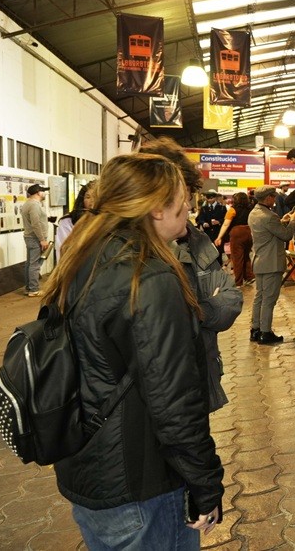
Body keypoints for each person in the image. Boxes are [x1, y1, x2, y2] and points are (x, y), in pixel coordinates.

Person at [42, 153, 223, 548]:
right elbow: (173, 399)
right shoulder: (149, 277)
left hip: (91, 468)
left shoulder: (84, 255)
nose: (190, 206)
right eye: (182, 197)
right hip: (141, 485)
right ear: (157, 208)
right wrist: (205, 483)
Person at [140, 137, 242, 413]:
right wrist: (199, 310)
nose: (188, 206)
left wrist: (198, 311)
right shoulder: (129, 257)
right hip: (159, 402)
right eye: (182, 198)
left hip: (197, 377)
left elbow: (231, 297)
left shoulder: (195, 239)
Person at [248, 185, 295, 344]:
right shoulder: (269, 216)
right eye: (273, 196)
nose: (275, 199)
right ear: (268, 198)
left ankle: (255, 330)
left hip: (259, 261)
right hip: (271, 263)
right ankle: (266, 333)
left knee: (259, 297)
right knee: (269, 299)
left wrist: (282, 220)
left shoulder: (254, 213)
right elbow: (286, 235)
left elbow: (269, 228)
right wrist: (294, 222)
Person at [214, 192, 254, 287]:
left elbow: (226, 224)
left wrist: (219, 237)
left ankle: (238, 282)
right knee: (246, 256)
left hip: (237, 233)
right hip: (249, 232)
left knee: (237, 258)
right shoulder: (251, 209)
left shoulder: (232, 210)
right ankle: (249, 277)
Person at [55, 182, 97, 261]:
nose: (92, 201)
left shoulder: (108, 221)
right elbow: (63, 251)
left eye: (96, 197)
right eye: (88, 197)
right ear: (82, 199)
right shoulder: (69, 221)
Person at [21, 183, 50, 297]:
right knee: (35, 264)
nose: (45, 193)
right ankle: (33, 289)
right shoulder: (34, 205)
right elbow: (36, 224)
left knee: (29, 263)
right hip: (35, 238)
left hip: (30, 237)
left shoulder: (27, 204)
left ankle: (29, 288)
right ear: (38, 192)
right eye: (43, 191)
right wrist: (42, 239)